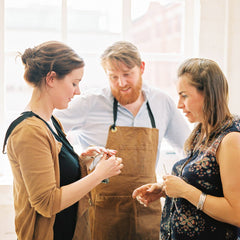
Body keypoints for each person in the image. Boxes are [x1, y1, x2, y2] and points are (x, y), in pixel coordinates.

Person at [54, 40, 190, 240]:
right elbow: (46, 130)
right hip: (102, 212)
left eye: (127, 74)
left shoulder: (162, 103)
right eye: (113, 77)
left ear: (141, 68)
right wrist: (78, 159)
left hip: (147, 210)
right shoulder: (90, 103)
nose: (121, 83)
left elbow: (189, 150)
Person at [2, 41, 123, 240]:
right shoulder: (29, 132)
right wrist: (98, 175)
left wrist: (83, 160)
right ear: (51, 78)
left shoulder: (52, 122)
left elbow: (56, 172)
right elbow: (47, 203)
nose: (78, 91)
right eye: (74, 83)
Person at [132, 58, 240, 239]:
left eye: (184, 95)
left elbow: (236, 213)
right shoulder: (201, 132)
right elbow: (207, 186)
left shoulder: (231, 140)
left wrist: (185, 191)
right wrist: (165, 190)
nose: (179, 104)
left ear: (209, 94)